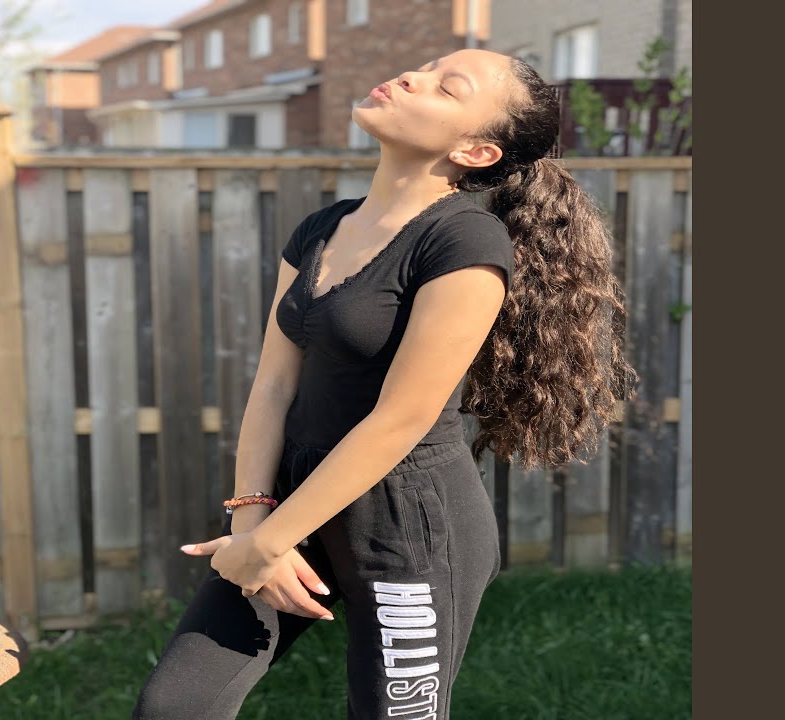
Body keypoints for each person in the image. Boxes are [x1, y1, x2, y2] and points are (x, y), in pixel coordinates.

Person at [132, 48, 638, 720]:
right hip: (291, 502)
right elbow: (274, 384)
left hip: (407, 522)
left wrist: (273, 541)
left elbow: (401, 418)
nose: (411, 76)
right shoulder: (321, 230)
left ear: (476, 151)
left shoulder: (464, 241)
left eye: (446, 87)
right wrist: (254, 524)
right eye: (426, 65)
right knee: (173, 707)